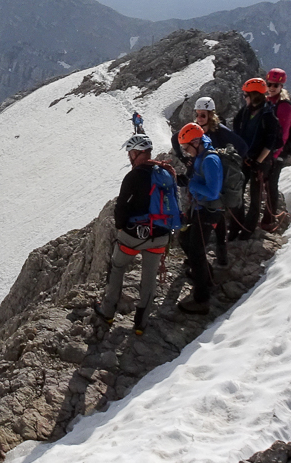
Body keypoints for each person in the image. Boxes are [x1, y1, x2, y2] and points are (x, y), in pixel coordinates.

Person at [100, 133, 175, 335]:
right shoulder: (165, 172)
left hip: (134, 236)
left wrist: (121, 227)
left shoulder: (133, 176)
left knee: (118, 266)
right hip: (160, 234)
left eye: (130, 153)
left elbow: (121, 208)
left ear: (136, 153)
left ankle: (108, 313)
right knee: (149, 277)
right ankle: (140, 324)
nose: (129, 156)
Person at [176, 96, 246, 265]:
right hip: (204, 182)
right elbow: (176, 138)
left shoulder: (220, 131)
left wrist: (229, 163)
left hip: (216, 185)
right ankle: (201, 259)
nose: (199, 119)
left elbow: (242, 147)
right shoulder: (196, 132)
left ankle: (218, 258)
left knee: (219, 219)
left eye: (203, 115)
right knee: (211, 218)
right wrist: (184, 159)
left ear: (211, 115)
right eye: (198, 115)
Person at [174, 123, 221, 315]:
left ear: (195, 142)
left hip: (207, 211)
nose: (185, 151)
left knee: (196, 251)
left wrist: (191, 184)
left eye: (186, 147)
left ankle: (202, 300)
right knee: (186, 240)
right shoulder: (201, 155)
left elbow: (213, 191)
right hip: (199, 209)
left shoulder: (210, 160)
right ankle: (206, 275)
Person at [230, 78, 282, 240]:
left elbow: (270, 143)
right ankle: (236, 226)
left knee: (255, 197)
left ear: (254, 95)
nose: (244, 97)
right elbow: (236, 132)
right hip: (246, 159)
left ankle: (248, 229)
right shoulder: (245, 112)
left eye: (246, 95)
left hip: (260, 162)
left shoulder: (268, 115)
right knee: (237, 193)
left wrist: (258, 162)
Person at [261, 69, 291, 231]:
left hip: (277, 153)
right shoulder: (268, 102)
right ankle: (269, 217)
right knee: (265, 183)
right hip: (268, 152)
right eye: (269, 84)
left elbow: (284, 134)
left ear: (281, 86)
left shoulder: (284, 106)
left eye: (275, 85)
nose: (272, 87)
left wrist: (273, 155)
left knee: (271, 184)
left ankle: (270, 219)